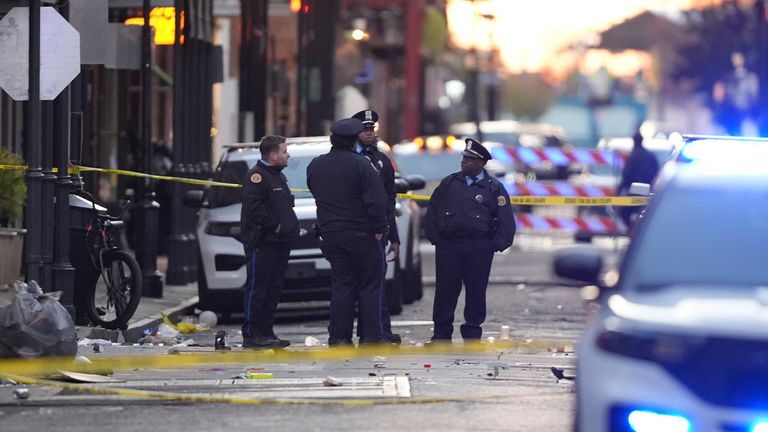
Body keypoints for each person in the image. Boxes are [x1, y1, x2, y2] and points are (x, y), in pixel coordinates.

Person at [307, 118, 389, 346]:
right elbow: (377, 200)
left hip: (331, 234)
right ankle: (371, 337)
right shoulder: (362, 165)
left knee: (342, 286)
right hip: (361, 234)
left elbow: (316, 191)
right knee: (369, 286)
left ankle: (339, 338)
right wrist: (380, 228)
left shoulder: (316, 165)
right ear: (354, 141)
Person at [425, 138, 516, 343]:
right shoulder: (449, 183)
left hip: (479, 247)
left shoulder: (493, 188)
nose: (464, 162)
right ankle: (441, 335)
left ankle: (472, 334)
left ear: (481, 163)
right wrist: (436, 238)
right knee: (445, 291)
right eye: (464, 158)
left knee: (476, 292)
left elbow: (505, 219)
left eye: (470, 159)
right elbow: (432, 212)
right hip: (449, 246)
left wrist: (494, 245)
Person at [240, 135, 299, 348]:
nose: (288, 155)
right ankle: (252, 333)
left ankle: (266, 332)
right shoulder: (257, 176)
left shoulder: (277, 176)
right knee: (258, 288)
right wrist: (276, 225)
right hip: (264, 242)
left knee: (273, 289)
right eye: (284, 151)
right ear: (273, 154)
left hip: (280, 242)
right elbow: (254, 209)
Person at [351, 109, 401, 344]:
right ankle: (362, 332)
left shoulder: (382, 160)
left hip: (377, 232)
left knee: (377, 284)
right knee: (354, 285)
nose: (369, 134)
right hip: (353, 230)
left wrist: (394, 235)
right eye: (364, 130)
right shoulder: (349, 157)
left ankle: (381, 330)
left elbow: (389, 200)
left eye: (371, 130)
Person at [617, 129, 659, 230]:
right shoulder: (650, 156)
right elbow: (657, 173)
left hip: (636, 192)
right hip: (650, 192)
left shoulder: (634, 157)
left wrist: (619, 191)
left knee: (624, 213)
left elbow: (627, 176)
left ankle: (633, 232)